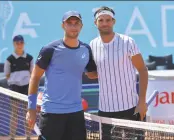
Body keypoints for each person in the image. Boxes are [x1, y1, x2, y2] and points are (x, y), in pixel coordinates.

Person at [26, 11, 97, 140]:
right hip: (52, 112)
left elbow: (93, 74)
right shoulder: (49, 49)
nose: (73, 26)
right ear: (63, 25)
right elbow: (35, 77)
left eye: (76, 23)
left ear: (81, 26)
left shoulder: (86, 49)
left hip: (76, 112)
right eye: (69, 23)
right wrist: (31, 108)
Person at [86, 6, 148, 139]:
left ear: (113, 21)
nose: (104, 23)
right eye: (101, 20)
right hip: (105, 111)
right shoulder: (92, 45)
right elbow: (96, 73)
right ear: (95, 23)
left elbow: (142, 70)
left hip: (131, 108)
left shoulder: (128, 42)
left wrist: (142, 102)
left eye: (108, 20)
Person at [4, 35, 34, 140]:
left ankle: (28, 136)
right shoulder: (9, 59)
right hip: (14, 88)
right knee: (14, 113)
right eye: (17, 43)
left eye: (21, 42)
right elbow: (7, 75)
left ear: (24, 43)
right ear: (14, 44)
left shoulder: (30, 58)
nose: (19, 45)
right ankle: (12, 137)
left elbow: (32, 74)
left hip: (27, 87)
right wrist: (15, 81)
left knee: (28, 112)